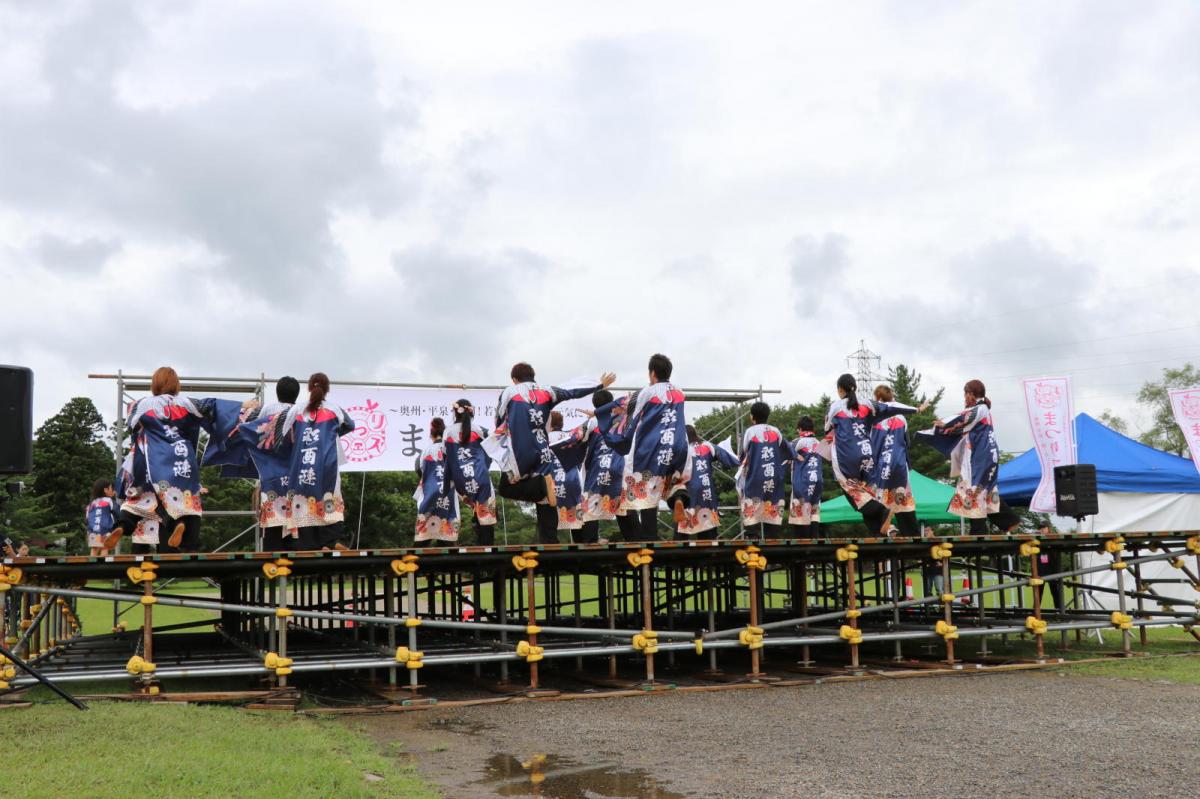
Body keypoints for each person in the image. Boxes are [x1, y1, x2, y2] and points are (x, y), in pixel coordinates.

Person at [104, 366, 256, 553]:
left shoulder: (141, 404)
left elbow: (132, 426)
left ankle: (122, 524)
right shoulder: (186, 403)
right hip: (180, 458)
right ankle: (180, 524)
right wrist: (242, 405)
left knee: (138, 501)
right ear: (176, 385)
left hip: (150, 462)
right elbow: (211, 405)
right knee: (185, 503)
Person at [493, 362, 615, 544]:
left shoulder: (509, 392)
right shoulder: (546, 391)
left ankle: (541, 489)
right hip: (542, 451)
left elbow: (499, 419)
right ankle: (549, 539)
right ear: (533, 376)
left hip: (519, 453)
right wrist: (599, 385)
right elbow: (571, 391)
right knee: (546, 498)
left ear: (514, 379)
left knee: (506, 487)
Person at [595, 353, 690, 542]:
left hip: (653, 447)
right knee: (674, 480)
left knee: (646, 487)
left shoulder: (646, 392)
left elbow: (628, 410)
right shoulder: (680, 393)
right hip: (679, 444)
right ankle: (679, 498)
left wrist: (600, 413)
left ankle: (649, 536)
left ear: (652, 373)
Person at [207, 376, 302, 551]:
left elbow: (240, 424)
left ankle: (273, 563)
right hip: (297, 474)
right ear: (296, 394)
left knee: (273, 522)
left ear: (277, 393)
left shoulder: (266, 409)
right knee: (299, 518)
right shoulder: (301, 413)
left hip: (271, 473)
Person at [269, 372, 356, 550]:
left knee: (302, 502)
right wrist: (332, 435)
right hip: (327, 464)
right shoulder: (335, 409)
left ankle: (309, 545)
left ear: (309, 388)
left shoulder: (297, 409)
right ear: (327, 389)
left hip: (301, 466)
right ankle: (331, 541)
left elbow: (280, 433)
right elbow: (350, 425)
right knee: (329, 499)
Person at [824, 373, 917, 535]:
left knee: (854, 493)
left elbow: (827, 430)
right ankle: (882, 531)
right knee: (870, 497)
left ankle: (883, 513)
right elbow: (905, 440)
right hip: (876, 460)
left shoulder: (836, 407)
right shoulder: (874, 408)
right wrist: (916, 409)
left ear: (840, 390)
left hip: (854, 458)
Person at [927, 379, 1020, 535]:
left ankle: (979, 530)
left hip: (983, 455)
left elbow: (963, 417)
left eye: (965, 394)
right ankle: (1008, 521)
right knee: (983, 490)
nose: (964, 397)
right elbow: (962, 426)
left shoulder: (980, 409)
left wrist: (945, 423)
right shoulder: (980, 410)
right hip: (983, 454)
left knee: (974, 490)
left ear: (970, 393)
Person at [577, 391, 639, 543]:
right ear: (612, 403)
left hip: (596, 469)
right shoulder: (622, 419)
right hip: (619, 466)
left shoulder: (591, 422)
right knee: (623, 504)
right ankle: (635, 540)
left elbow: (578, 438)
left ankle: (591, 541)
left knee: (592, 505)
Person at [869, 385, 929, 537]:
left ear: (879, 399)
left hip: (882, 465)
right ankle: (912, 537)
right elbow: (906, 442)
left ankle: (883, 534)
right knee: (903, 502)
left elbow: (872, 444)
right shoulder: (901, 417)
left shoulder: (875, 419)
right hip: (899, 465)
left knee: (879, 504)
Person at [443, 399, 497, 546]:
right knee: (485, 514)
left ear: (455, 413)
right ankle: (486, 546)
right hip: (480, 476)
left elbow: (446, 457)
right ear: (471, 412)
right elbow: (492, 449)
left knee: (473, 508)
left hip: (461, 480)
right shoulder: (480, 430)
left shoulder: (448, 432)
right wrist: (485, 465)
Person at [738, 401, 792, 539]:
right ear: (767, 415)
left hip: (756, 475)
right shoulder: (775, 431)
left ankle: (753, 538)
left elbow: (743, 454)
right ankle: (772, 540)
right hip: (773, 475)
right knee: (772, 505)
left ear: (752, 416)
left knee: (752, 502)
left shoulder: (749, 432)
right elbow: (787, 450)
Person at [678, 425, 739, 539]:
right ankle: (710, 548)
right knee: (708, 529)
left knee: (682, 529)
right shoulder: (707, 446)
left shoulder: (681, 451)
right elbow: (725, 456)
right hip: (706, 491)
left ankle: (678, 548)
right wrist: (740, 460)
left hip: (687, 491)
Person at [414, 418, 459, 544]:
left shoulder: (425, 451)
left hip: (429, 494)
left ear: (431, 434)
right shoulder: (451, 449)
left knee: (423, 538)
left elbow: (418, 469)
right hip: (448, 494)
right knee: (446, 538)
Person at [549, 411, 587, 542]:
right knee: (575, 515)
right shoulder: (570, 437)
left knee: (550, 518)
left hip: (551, 483)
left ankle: (552, 546)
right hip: (572, 479)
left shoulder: (543, 439)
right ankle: (580, 545)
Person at [788, 416, 824, 535]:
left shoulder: (797, 442)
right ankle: (814, 540)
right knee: (814, 514)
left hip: (802, 481)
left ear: (800, 429)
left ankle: (802, 544)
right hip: (817, 481)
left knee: (800, 516)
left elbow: (784, 453)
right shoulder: (819, 443)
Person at [84, 479, 117, 556]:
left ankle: (92, 563)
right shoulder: (109, 500)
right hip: (105, 530)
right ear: (105, 490)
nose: (113, 491)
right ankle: (103, 564)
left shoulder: (92, 503)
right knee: (104, 548)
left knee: (94, 549)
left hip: (93, 531)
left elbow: (87, 517)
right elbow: (116, 511)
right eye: (111, 488)